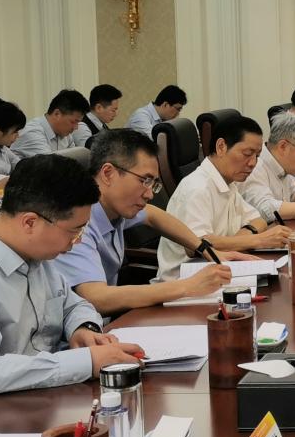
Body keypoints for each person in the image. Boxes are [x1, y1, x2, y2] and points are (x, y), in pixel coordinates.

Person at [0, 154, 143, 416]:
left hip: (42, 402)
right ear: (30, 222)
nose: (78, 241)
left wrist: (83, 328)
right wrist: (85, 362)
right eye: (74, 231)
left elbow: (72, 304)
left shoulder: (34, 252)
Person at [56, 129, 259, 317]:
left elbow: (153, 215)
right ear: (108, 173)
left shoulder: (115, 209)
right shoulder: (76, 224)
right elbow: (96, 298)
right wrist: (187, 286)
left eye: (153, 184)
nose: (149, 194)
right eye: (144, 180)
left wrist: (205, 249)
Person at [155, 116, 292, 281]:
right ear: (221, 147)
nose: (253, 163)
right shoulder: (197, 188)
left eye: (257, 155)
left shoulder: (227, 181)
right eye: (247, 154)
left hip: (220, 271)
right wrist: (257, 240)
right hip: (184, 281)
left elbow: (259, 220)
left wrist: (236, 241)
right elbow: (197, 245)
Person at [10, 89, 89, 160]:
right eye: (73, 122)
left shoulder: (65, 135)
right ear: (57, 114)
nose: (76, 127)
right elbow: (51, 167)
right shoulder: (32, 132)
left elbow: (75, 163)